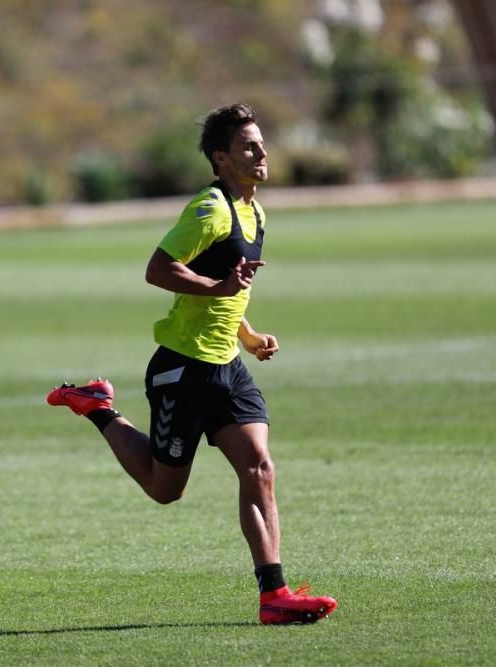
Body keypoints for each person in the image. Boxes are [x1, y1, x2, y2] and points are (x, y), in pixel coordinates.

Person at [47, 103, 337, 625]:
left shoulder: (256, 211)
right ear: (222, 159)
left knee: (260, 469)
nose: (262, 151)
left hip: (226, 365)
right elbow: (158, 269)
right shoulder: (211, 210)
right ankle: (97, 409)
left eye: (262, 142)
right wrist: (215, 287)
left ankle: (274, 595)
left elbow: (231, 289)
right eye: (249, 146)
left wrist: (247, 335)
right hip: (183, 367)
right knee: (165, 490)